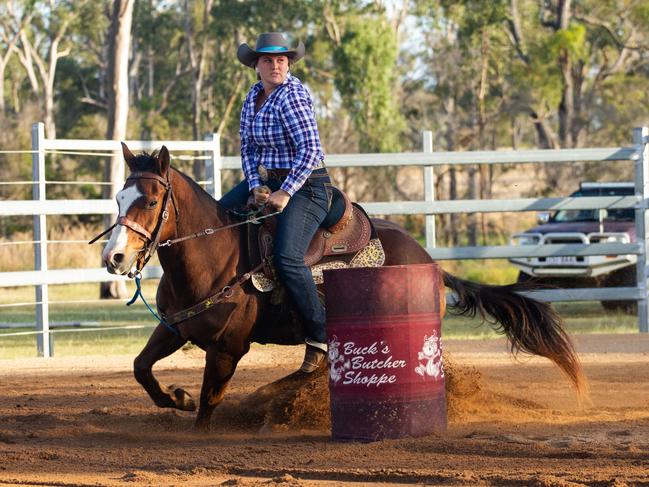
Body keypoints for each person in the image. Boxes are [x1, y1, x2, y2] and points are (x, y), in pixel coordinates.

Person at [220, 32, 330, 373]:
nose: (275, 65)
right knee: (218, 217)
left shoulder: (292, 96)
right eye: (267, 60)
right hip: (268, 181)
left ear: (289, 63)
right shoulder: (251, 97)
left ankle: (320, 336)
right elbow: (248, 150)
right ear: (256, 65)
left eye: (282, 59)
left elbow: (310, 151)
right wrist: (255, 186)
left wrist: (285, 191)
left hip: (307, 185)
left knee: (286, 256)